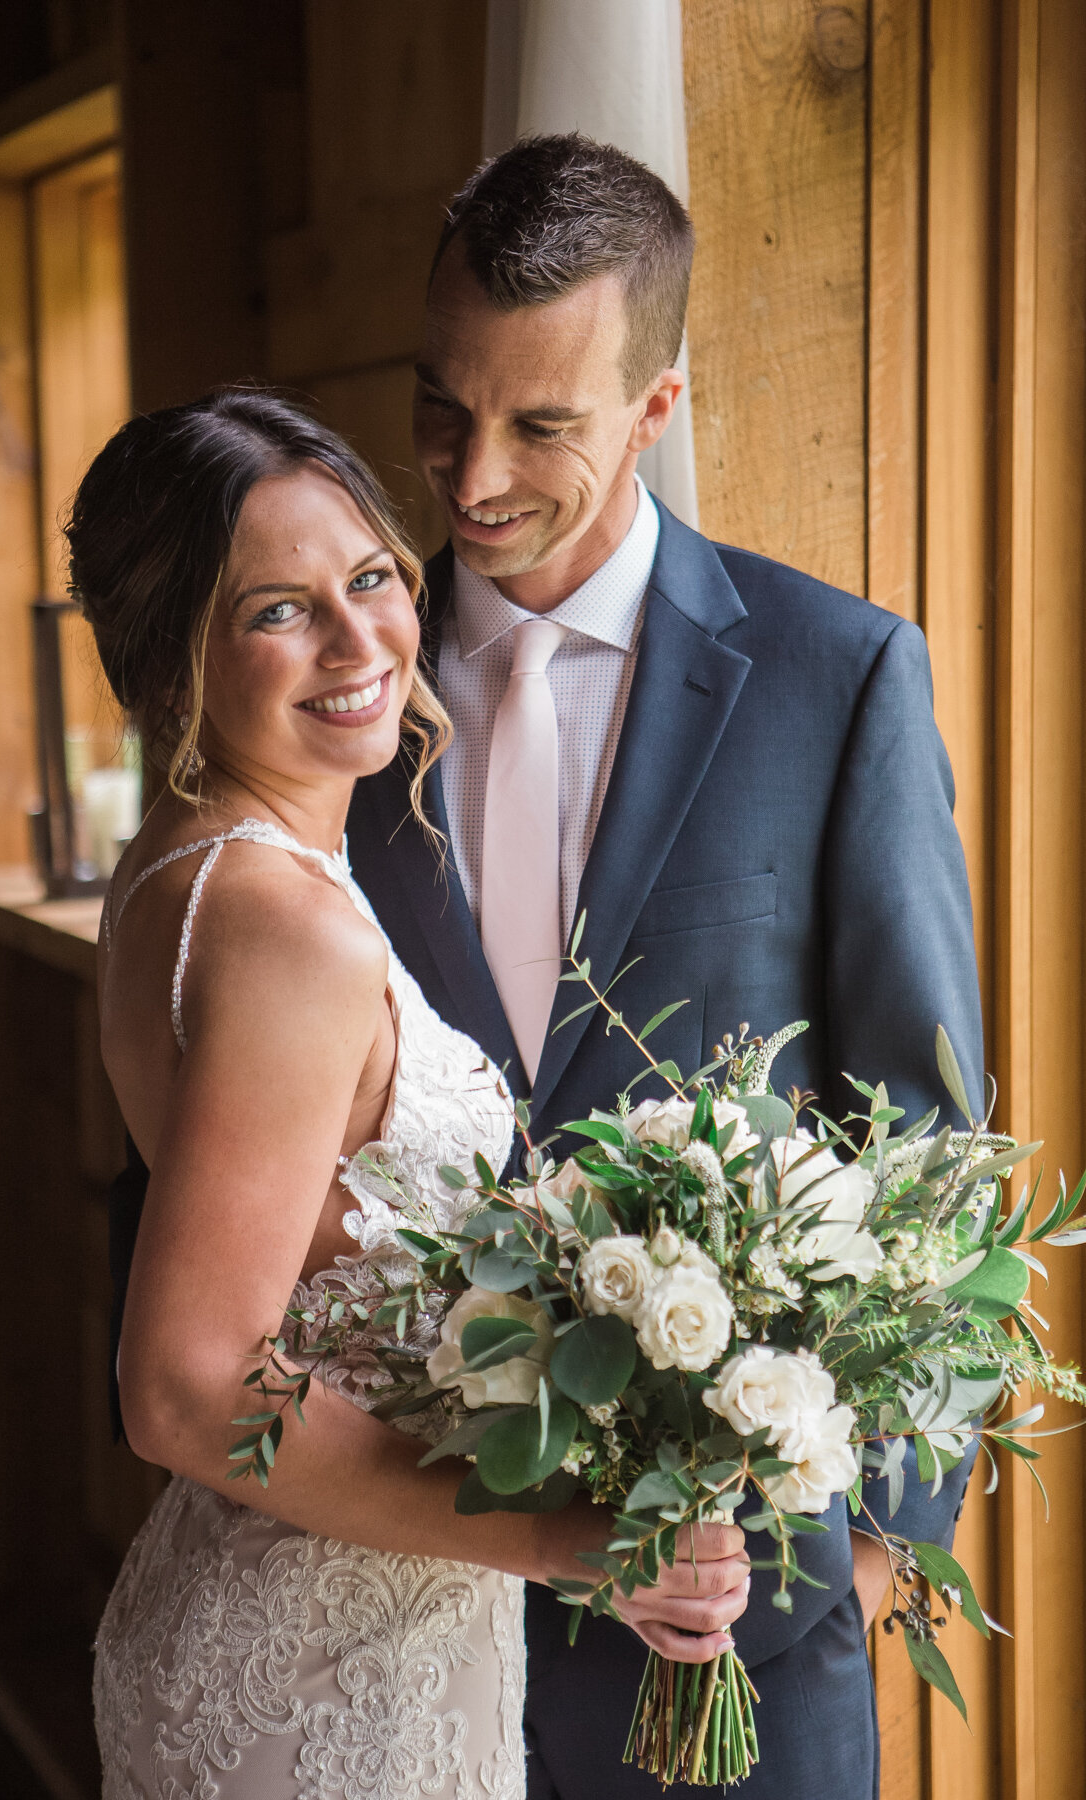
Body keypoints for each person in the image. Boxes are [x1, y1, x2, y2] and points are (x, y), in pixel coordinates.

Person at [341, 135, 985, 1797]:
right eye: (441, 404)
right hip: (398, 1603)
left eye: (540, 424)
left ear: (656, 406)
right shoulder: (329, 709)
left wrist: (873, 1547)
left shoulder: (841, 680)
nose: (470, 475)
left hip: (734, 1628)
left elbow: (930, 1148)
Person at [77, 390, 751, 1800]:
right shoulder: (288, 929)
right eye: (277, 611)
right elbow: (190, 1387)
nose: (359, 639)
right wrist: (568, 1540)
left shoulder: (181, 866)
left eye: (371, 577)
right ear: (171, 656)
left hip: (285, 1607)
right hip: (330, 1672)